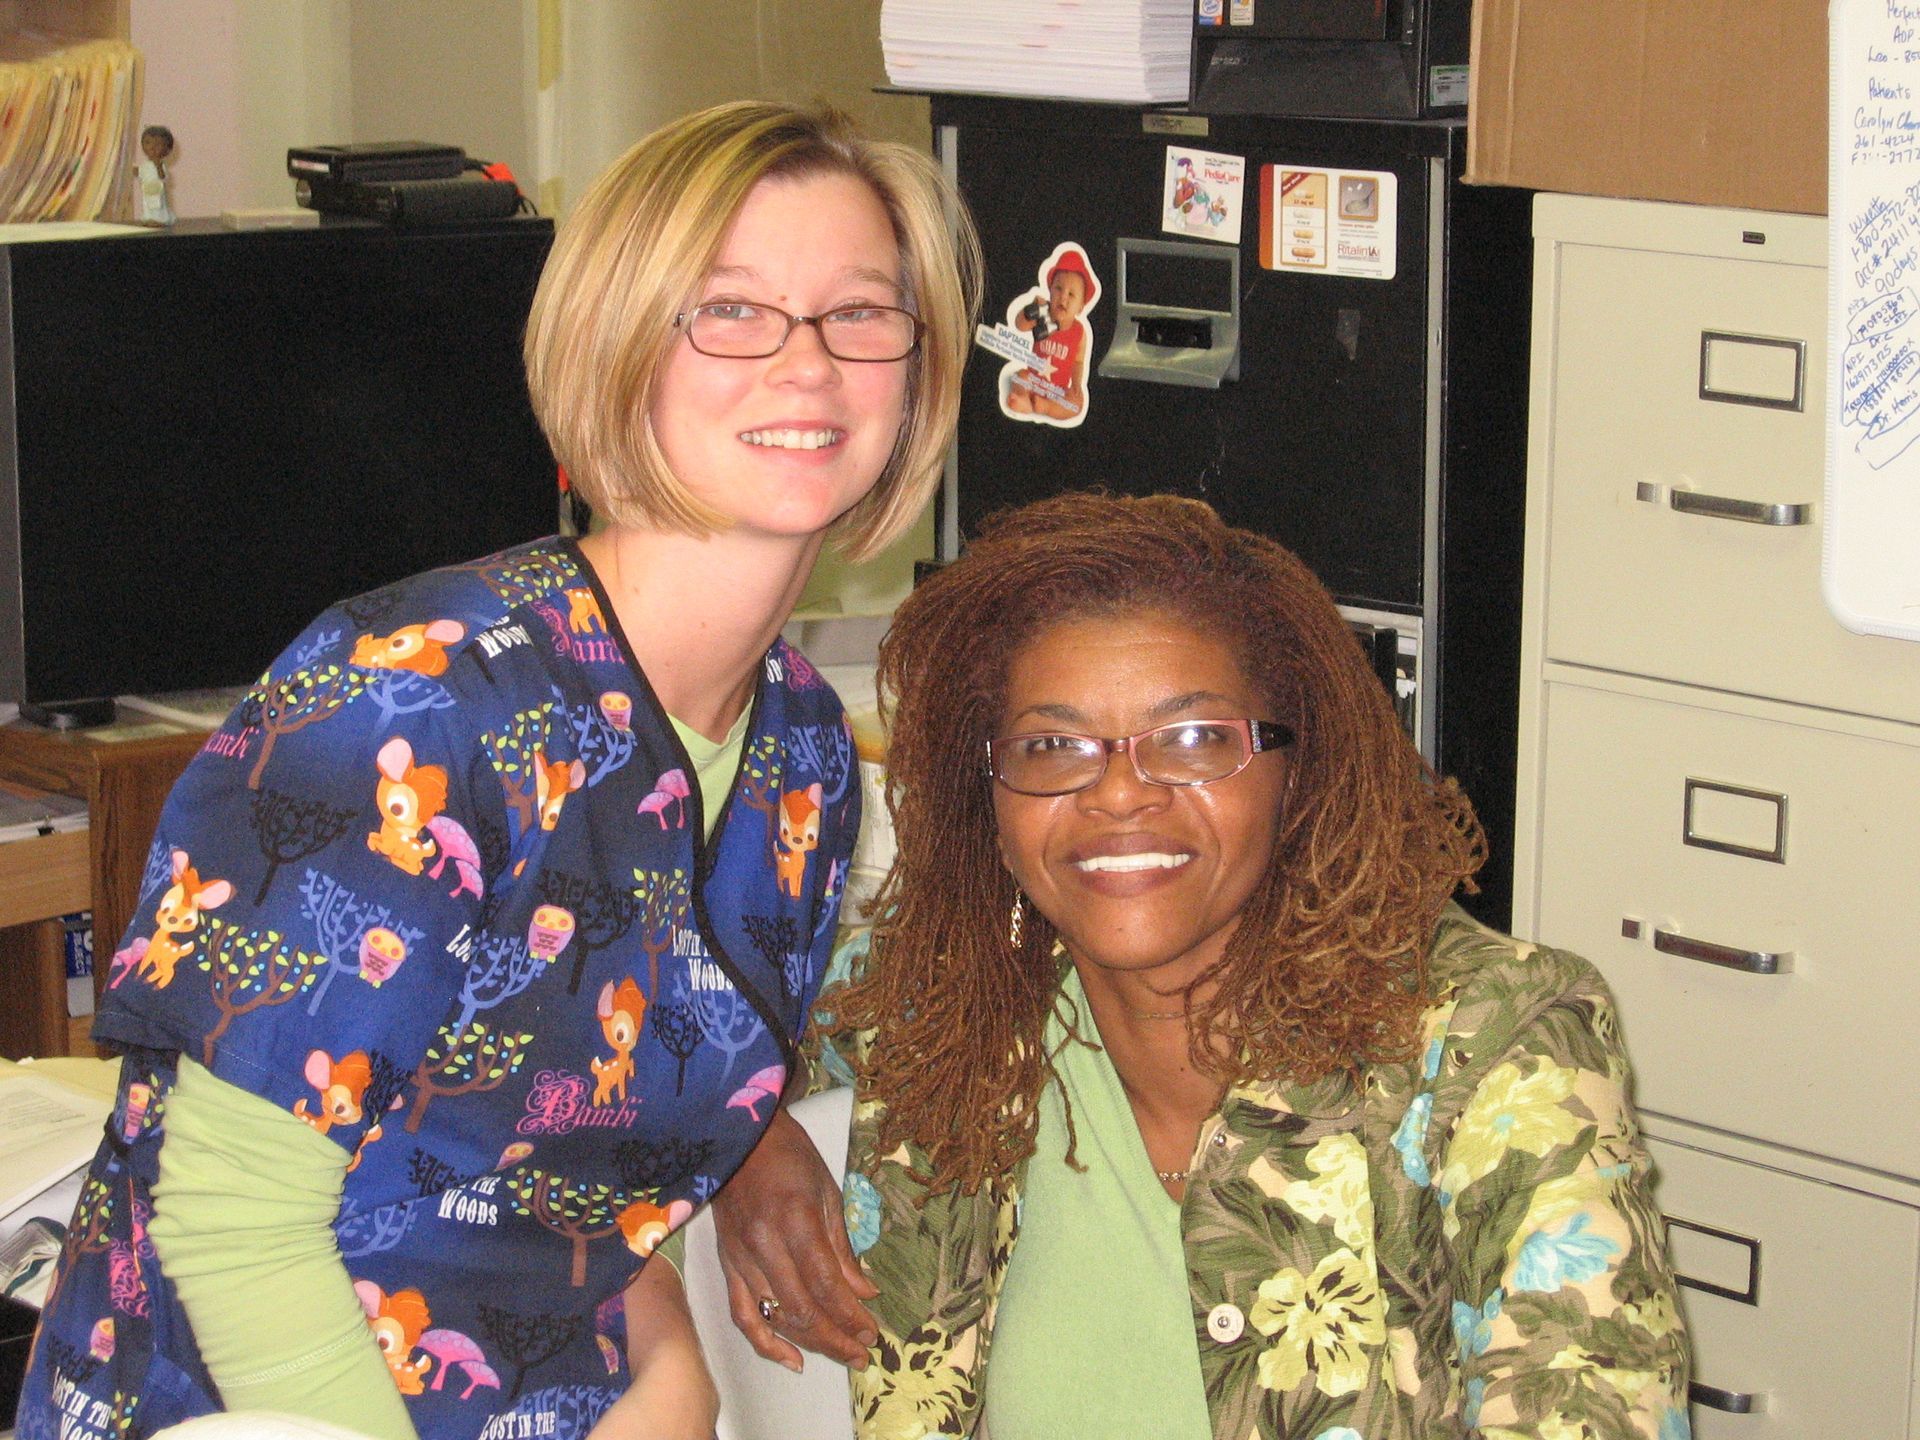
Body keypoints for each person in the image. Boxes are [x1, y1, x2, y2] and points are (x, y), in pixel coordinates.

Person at [19, 100, 979, 1440]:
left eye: (860, 313)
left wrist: (673, 1368)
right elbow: (226, 1225)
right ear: (618, 344)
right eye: (732, 310)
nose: (806, 363)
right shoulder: (412, 695)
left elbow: (585, 1145)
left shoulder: (808, 759)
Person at [712, 493, 1693, 1438]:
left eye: (1192, 739)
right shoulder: (939, 1001)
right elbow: (655, 1047)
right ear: (992, 794)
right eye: (1054, 745)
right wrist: (739, 1144)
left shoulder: (1499, 1046)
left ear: (1296, 766)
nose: (1120, 794)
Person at [1005, 247, 1094, 423]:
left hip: (1058, 392)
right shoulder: (1043, 314)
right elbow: (1020, 325)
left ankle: (1046, 407)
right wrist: (1029, 311)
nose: (1063, 298)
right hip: (1033, 380)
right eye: (1058, 289)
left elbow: (1078, 362)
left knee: (1077, 403)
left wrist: (1076, 385)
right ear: (1050, 290)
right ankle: (1025, 400)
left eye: (1071, 294)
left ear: (1081, 307)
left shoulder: (1079, 332)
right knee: (1019, 376)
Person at [136, 124, 176, 226]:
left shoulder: (160, 164)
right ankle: (149, 218)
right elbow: (141, 173)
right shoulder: (145, 164)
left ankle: (160, 220)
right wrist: (135, 171)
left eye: (158, 144)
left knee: (158, 205)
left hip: (157, 190)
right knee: (148, 205)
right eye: (148, 143)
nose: (152, 147)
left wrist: (158, 167)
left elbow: (163, 177)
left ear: (167, 149)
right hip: (147, 190)